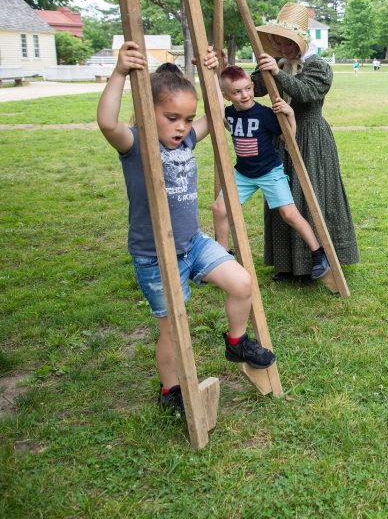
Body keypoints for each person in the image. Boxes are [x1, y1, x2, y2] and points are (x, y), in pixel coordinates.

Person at [97, 43, 275, 416]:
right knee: (174, 329)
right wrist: (118, 74)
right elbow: (107, 122)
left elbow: (215, 114)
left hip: (192, 243)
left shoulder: (189, 138)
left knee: (242, 283)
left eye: (186, 118)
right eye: (172, 117)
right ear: (149, 113)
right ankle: (171, 389)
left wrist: (212, 75)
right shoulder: (136, 145)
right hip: (156, 255)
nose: (181, 127)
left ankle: (236, 341)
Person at [252, 2, 360, 281]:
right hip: (281, 136)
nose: (283, 49)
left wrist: (278, 74)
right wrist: (249, 71)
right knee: (283, 196)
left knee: (309, 192)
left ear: (300, 42)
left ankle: (318, 258)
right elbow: (254, 88)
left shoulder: (319, 67)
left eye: (288, 44)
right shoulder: (277, 63)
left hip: (310, 136)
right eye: (278, 43)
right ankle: (287, 264)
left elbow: (306, 92)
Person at [211, 65, 330, 280]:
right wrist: (212, 73)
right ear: (227, 95)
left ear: (253, 86)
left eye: (247, 88)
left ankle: (318, 254)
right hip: (244, 174)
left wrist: (291, 115)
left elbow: (288, 140)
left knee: (289, 214)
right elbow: (217, 108)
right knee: (220, 209)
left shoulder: (265, 114)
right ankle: (222, 257)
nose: (245, 95)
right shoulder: (229, 114)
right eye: (237, 92)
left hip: (269, 172)